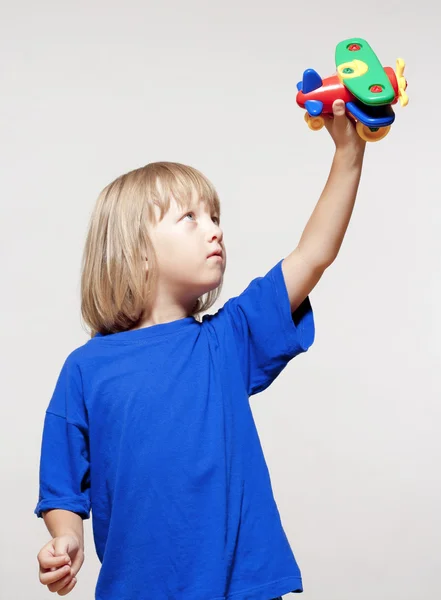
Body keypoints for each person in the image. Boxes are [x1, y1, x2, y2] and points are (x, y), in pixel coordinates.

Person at [35, 99, 366, 599]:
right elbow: (62, 486)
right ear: (137, 252)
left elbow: (314, 254)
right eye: (190, 217)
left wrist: (349, 152)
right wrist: (66, 537)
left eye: (215, 216)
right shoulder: (85, 370)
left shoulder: (227, 339)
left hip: (244, 588)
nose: (216, 229)